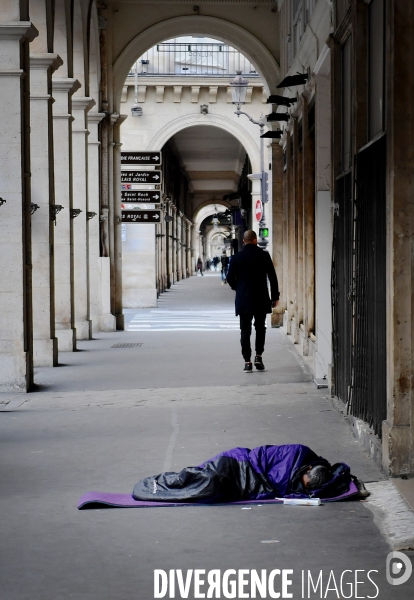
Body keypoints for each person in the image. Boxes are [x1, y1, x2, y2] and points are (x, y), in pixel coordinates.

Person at [132, 443, 368, 503]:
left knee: (211, 493)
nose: (301, 486)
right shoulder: (297, 452)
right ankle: (163, 483)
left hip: (248, 483)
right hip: (239, 464)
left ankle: (169, 488)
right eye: (302, 482)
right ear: (307, 468)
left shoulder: (318, 481)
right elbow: (267, 465)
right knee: (208, 480)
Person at [226, 230, 279, 372]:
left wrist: (238, 288)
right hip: (261, 298)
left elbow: (229, 278)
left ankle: (247, 362)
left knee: (245, 330)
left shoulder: (237, 257)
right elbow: (273, 277)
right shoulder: (264, 255)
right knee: (260, 328)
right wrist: (275, 297)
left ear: (244, 241)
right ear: (255, 240)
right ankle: (258, 356)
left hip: (243, 299)